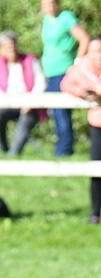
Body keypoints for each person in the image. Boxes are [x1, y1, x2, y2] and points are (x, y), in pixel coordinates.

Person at [40, 0, 90, 157]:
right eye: (46, 4)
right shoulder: (47, 20)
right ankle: (60, 146)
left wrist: (77, 63)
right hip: (51, 71)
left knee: (62, 110)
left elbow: (84, 39)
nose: (50, 6)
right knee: (55, 111)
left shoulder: (66, 18)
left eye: (52, 2)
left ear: (58, 2)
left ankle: (65, 149)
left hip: (64, 70)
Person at [60, 35, 101, 225]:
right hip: (97, 123)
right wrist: (83, 93)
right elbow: (66, 84)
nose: (98, 56)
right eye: (95, 51)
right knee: (96, 169)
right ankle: (95, 212)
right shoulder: (82, 68)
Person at [0, 29, 46, 156]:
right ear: (1, 49)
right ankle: (3, 148)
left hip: (28, 105)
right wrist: (5, 102)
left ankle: (14, 153)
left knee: (26, 119)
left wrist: (31, 103)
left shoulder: (30, 60)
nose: (11, 49)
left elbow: (40, 83)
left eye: (12, 45)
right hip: (6, 104)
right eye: (7, 46)